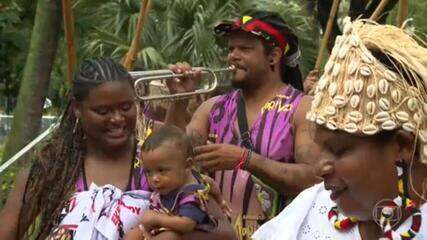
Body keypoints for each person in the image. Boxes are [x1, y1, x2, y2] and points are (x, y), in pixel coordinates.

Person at [0, 58, 235, 240]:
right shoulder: (54, 169)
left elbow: (226, 233)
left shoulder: (159, 164)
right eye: (103, 111)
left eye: (126, 107)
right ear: (77, 109)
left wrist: (165, 232)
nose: (117, 119)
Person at [252, 18, 427, 239]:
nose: (319, 168)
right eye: (320, 147)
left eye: (338, 150)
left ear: (402, 145)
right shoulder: (308, 210)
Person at [170, 10, 321, 239]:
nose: (233, 56)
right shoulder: (212, 108)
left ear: (273, 57)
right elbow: (169, 161)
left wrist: (246, 160)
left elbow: (315, 180)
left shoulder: (302, 108)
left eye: (245, 49)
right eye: (231, 49)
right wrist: (179, 102)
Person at [125, 126, 230, 239]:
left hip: (187, 231)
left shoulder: (191, 195)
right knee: (132, 235)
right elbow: (211, 183)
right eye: (148, 172)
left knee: (168, 237)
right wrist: (221, 201)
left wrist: (157, 219)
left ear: (187, 165)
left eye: (161, 170)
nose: (154, 178)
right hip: (164, 225)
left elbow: (187, 225)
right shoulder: (175, 183)